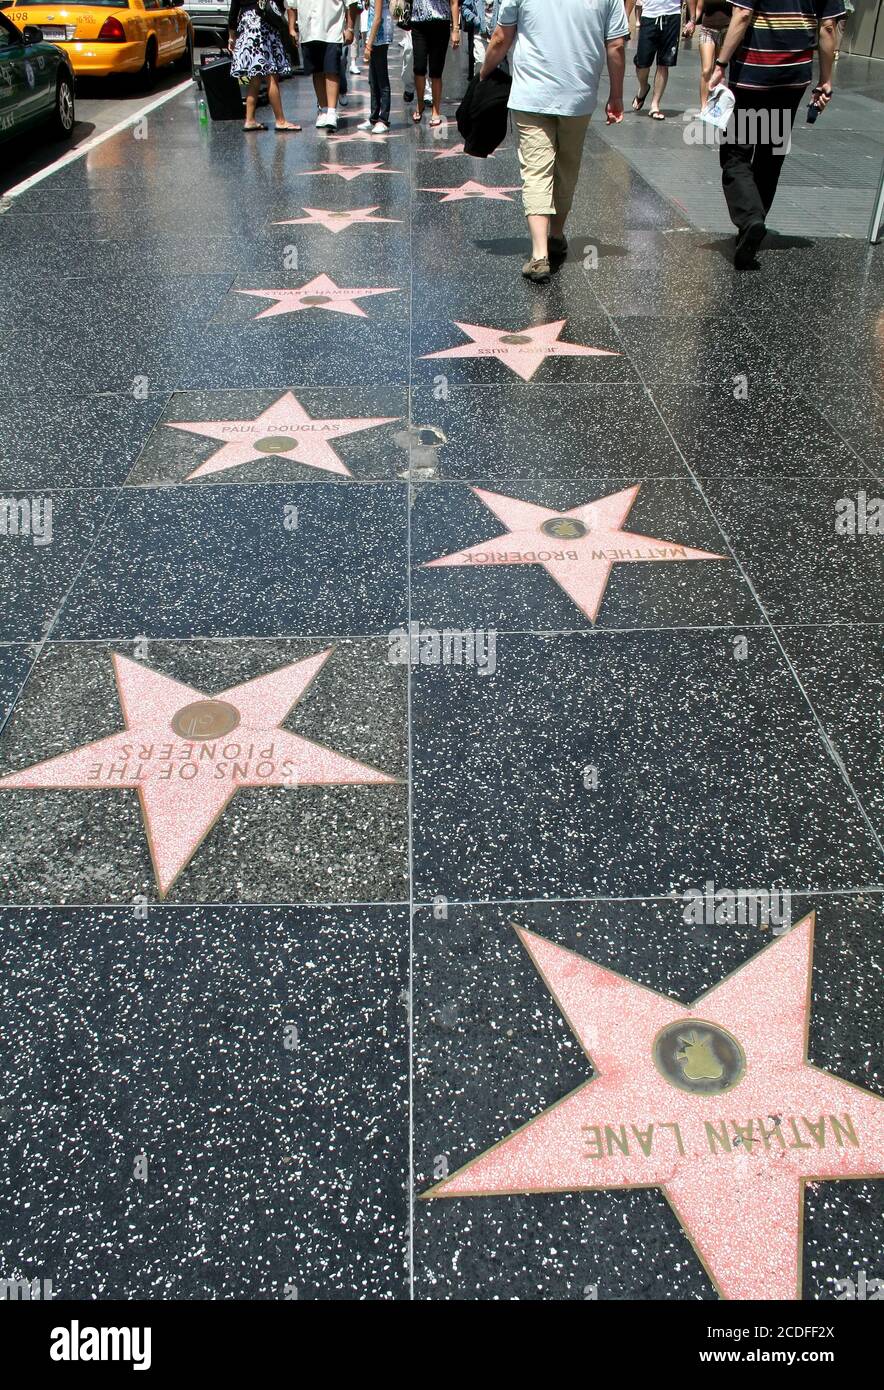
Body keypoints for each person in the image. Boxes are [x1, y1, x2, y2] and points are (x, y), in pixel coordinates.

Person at [480, 0, 628, 283]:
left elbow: (501, 37)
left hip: (531, 94)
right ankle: (557, 235)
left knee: (536, 171)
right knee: (567, 166)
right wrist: (617, 95)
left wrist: (484, 72)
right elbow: (616, 46)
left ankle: (539, 255)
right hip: (579, 95)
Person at [710, 0, 843, 265]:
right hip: (792, 78)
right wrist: (825, 80)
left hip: (754, 73)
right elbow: (828, 27)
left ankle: (750, 220)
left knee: (736, 153)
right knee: (771, 154)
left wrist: (720, 63)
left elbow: (743, 13)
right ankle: (753, 224)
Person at [228, 0, 302, 131]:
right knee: (271, 75)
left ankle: (250, 119)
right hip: (264, 24)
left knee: (255, 76)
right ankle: (280, 120)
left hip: (247, 24)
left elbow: (233, 10)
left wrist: (232, 36)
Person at [287, 0, 360, 130]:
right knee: (317, 71)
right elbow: (291, 4)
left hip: (332, 29)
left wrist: (350, 28)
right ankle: (324, 110)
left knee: (331, 70)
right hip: (308, 30)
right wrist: (292, 28)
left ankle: (332, 111)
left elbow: (351, 3)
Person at [629, 0, 696, 120]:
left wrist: (692, 19)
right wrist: (625, 17)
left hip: (672, 15)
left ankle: (655, 105)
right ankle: (644, 87)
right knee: (642, 63)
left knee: (664, 63)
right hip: (649, 16)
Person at [411, 0, 461, 126]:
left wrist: (456, 29)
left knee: (436, 71)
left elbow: (454, 2)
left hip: (440, 22)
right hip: (418, 21)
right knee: (419, 68)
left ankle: (436, 110)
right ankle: (420, 102)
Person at [360, 0, 393, 132]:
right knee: (373, 80)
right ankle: (374, 117)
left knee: (381, 79)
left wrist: (369, 45)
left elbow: (378, 18)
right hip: (374, 34)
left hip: (380, 35)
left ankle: (383, 119)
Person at [694, 0, 731, 110]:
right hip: (707, 29)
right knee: (706, 69)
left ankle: (719, 107)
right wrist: (692, 22)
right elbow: (699, 8)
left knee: (720, 71)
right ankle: (704, 107)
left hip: (726, 30)